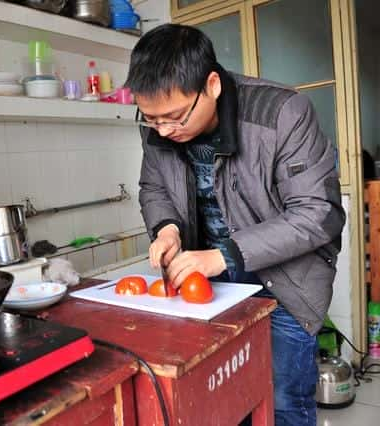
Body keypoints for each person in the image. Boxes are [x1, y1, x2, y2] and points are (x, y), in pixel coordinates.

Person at [125, 24, 345, 425]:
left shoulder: (282, 113)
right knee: (227, 399)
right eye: (151, 119)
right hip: (213, 288)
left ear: (211, 85)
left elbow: (317, 213)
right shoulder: (159, 129)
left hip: (287, 284)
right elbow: (152, 186)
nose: (163, 131)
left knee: (282, 404)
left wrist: (224, 254)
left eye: (174, 117)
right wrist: (167, 228)